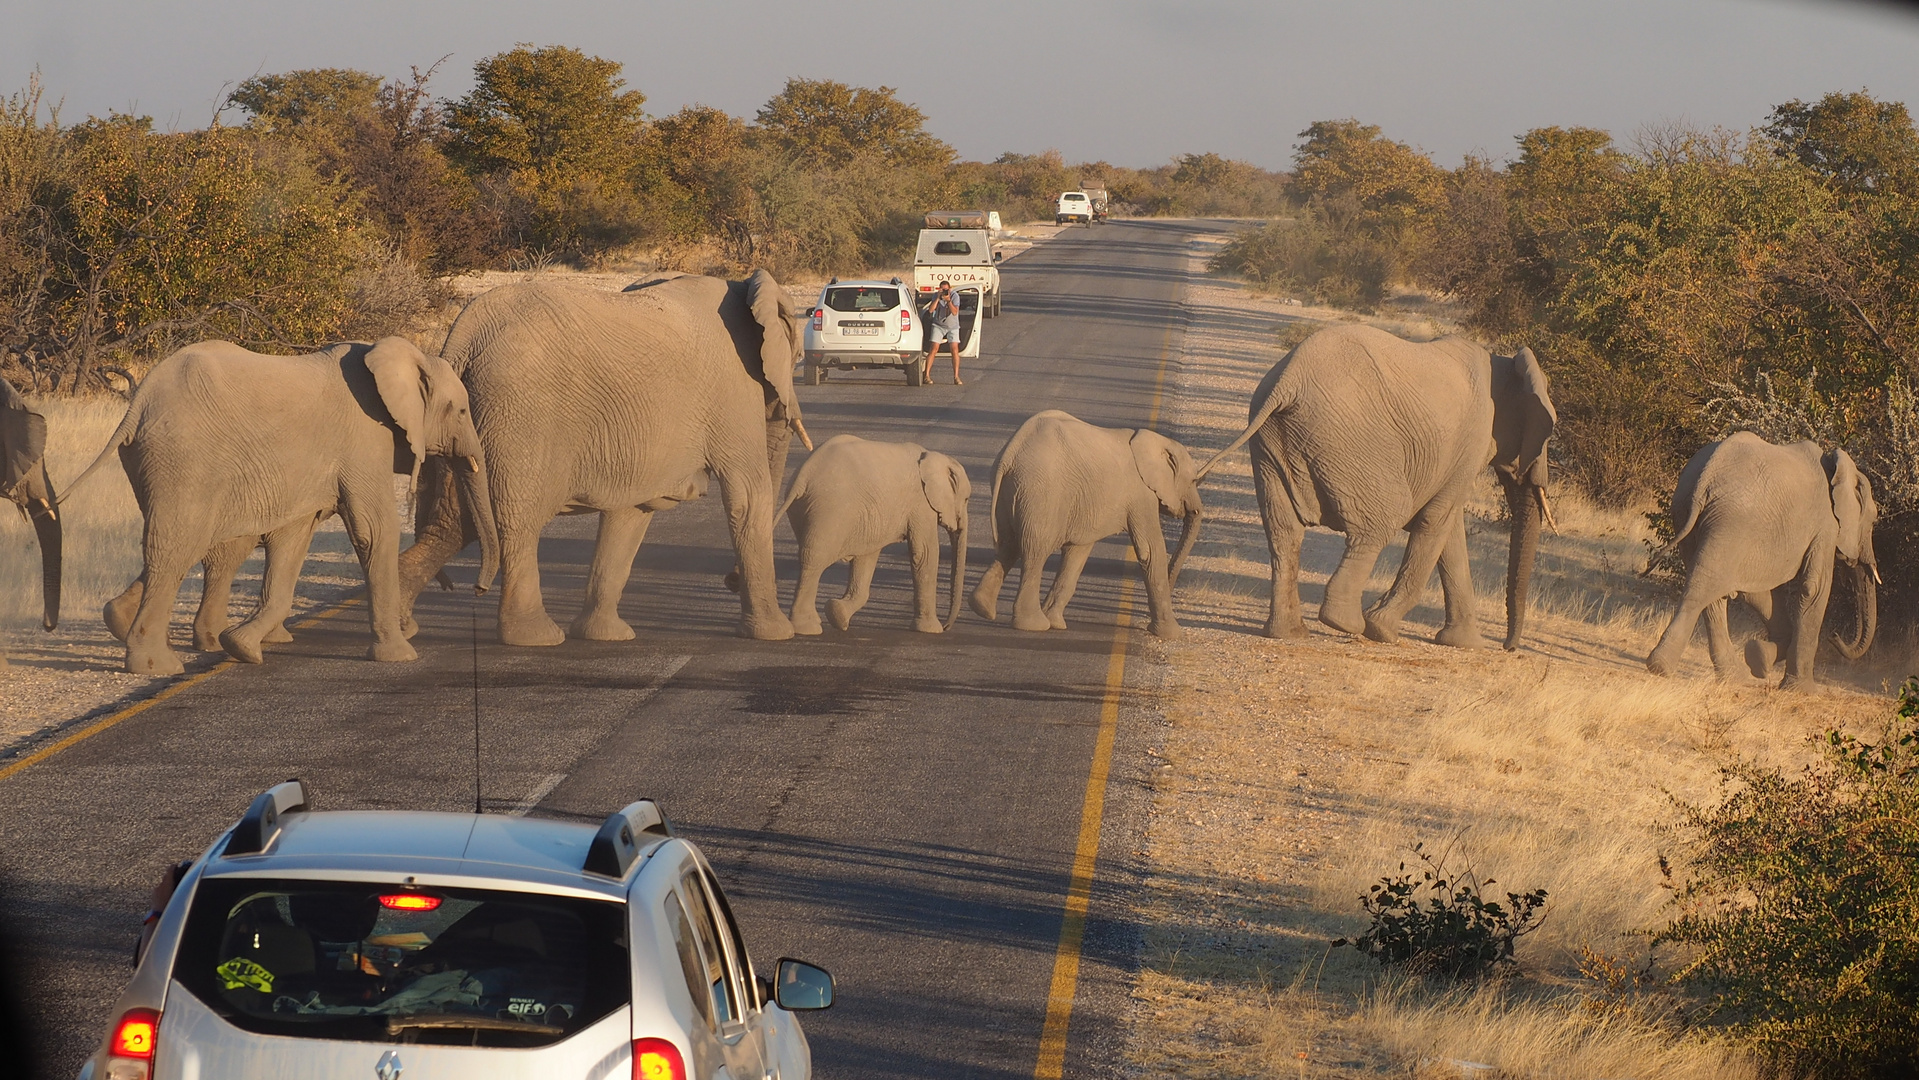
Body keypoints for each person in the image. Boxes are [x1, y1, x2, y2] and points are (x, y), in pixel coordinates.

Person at [924, 280, 964, 385]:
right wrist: (938, 297)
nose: (944, 291)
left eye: (946, 289)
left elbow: (955, 312)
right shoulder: (936, 296)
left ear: (949, 289)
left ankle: (956, 376)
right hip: (938, 325)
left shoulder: (955, 296)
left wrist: (948, 300)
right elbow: (931, 310)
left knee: (954, 349)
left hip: (952, 326)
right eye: (942, 289)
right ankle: (927, 375)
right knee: (934, 348)